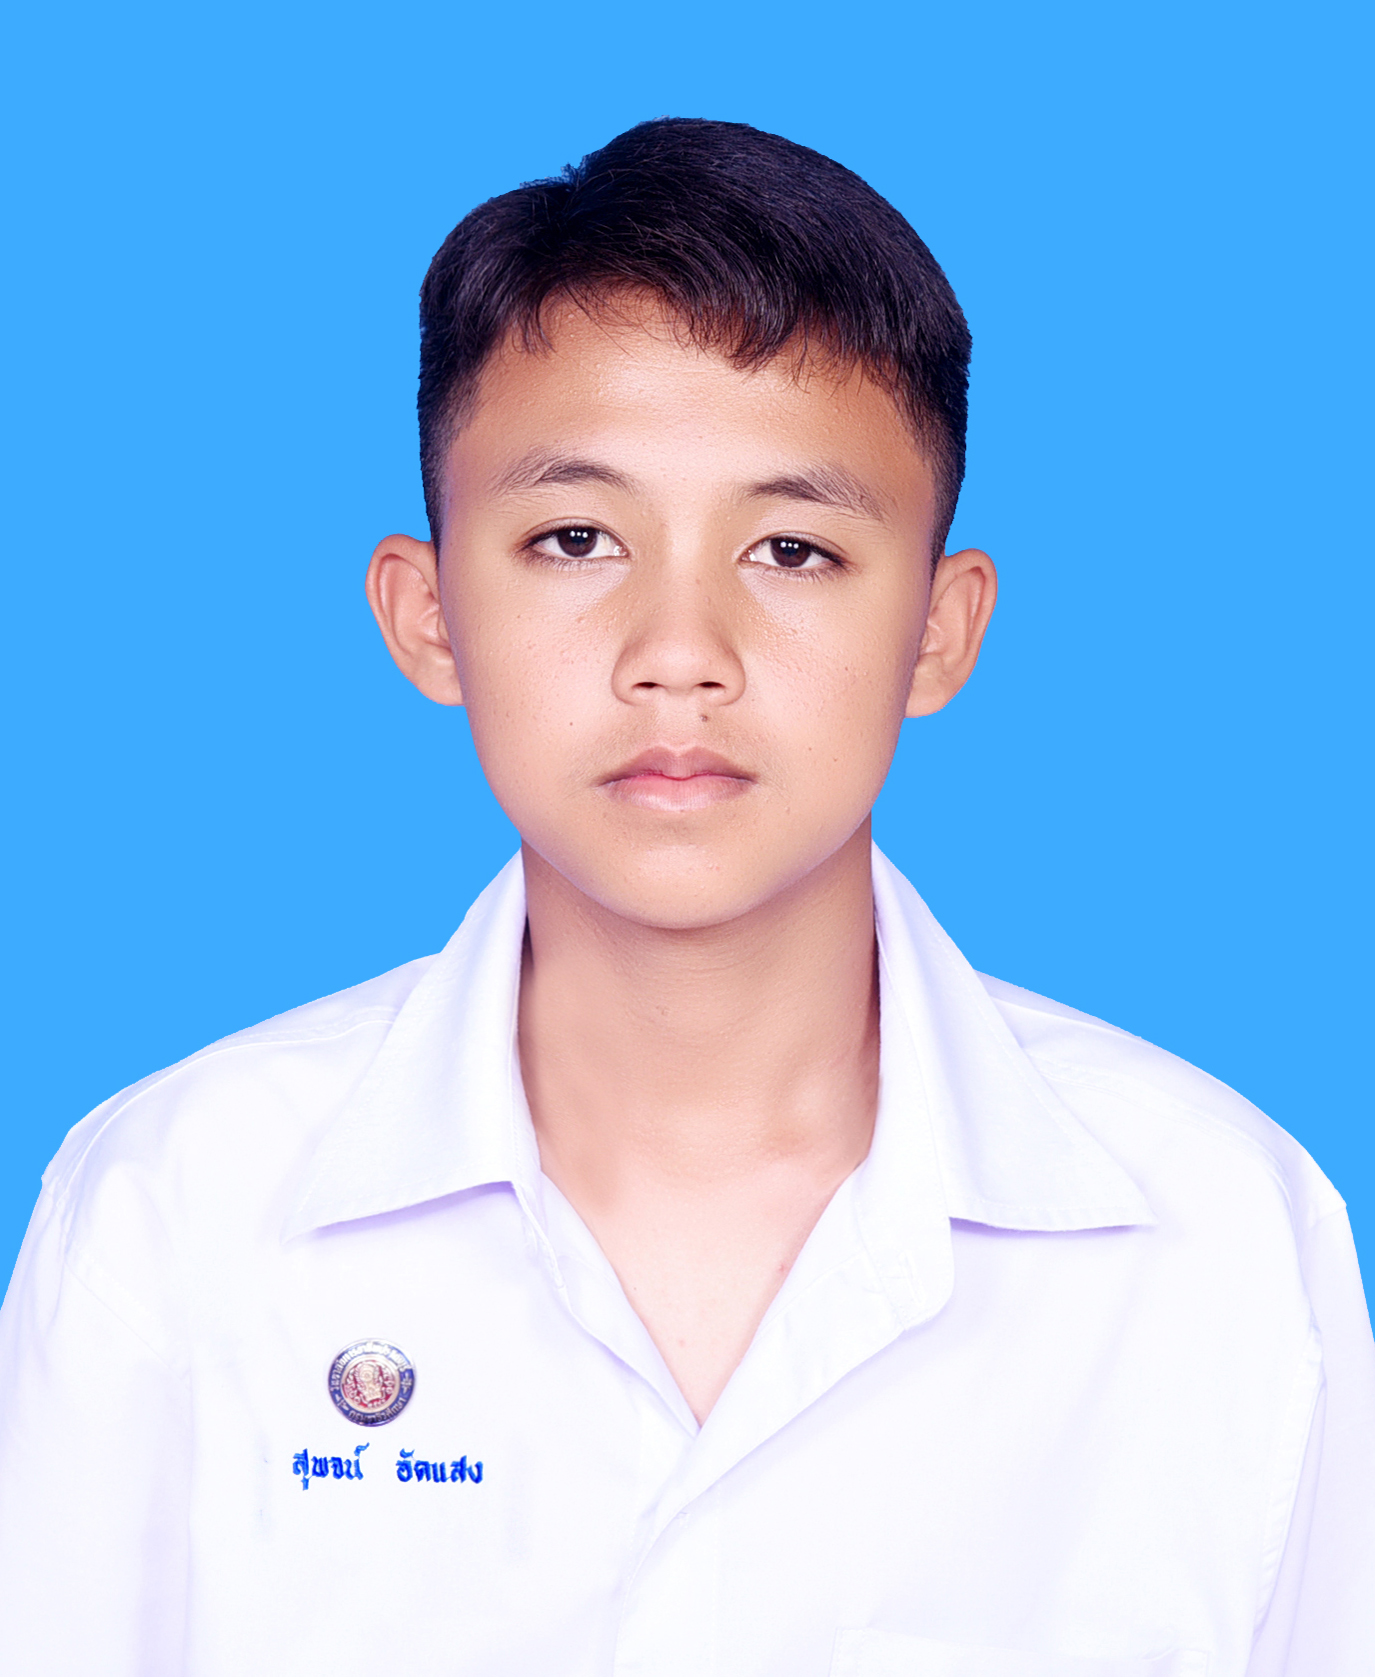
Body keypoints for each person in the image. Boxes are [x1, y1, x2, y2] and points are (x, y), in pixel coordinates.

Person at [0, 117, 1370, 1677]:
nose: (679, 653)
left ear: (939, 629)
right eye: (576, 538)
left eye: (792, 549)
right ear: (429, 613)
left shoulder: (1221, 1240)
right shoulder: (176, 1212)